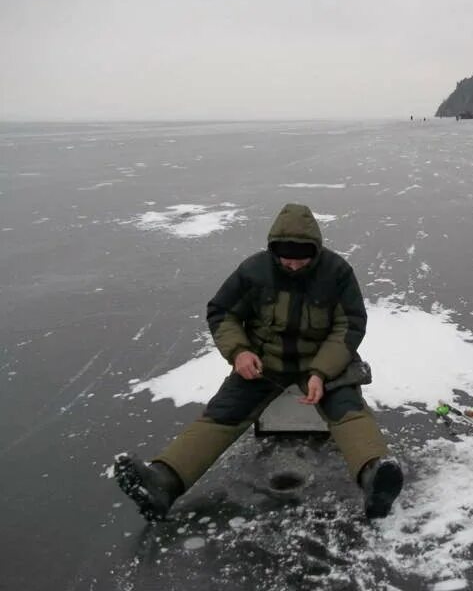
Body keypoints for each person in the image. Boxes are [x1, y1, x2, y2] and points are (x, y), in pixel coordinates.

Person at [115, 203, 404, 519]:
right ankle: (163, 482)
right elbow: (222, 312)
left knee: (347, 410)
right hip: (265, 364)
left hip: (322, 363)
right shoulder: (254, 271)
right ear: (273, 251)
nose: (292, 265)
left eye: (301, 259)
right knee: (223, 412)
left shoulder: (337, 273)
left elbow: (349, 324)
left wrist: (322, 371)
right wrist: (240, 352)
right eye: (285, 259)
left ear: (316, 251)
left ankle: (375, 476)